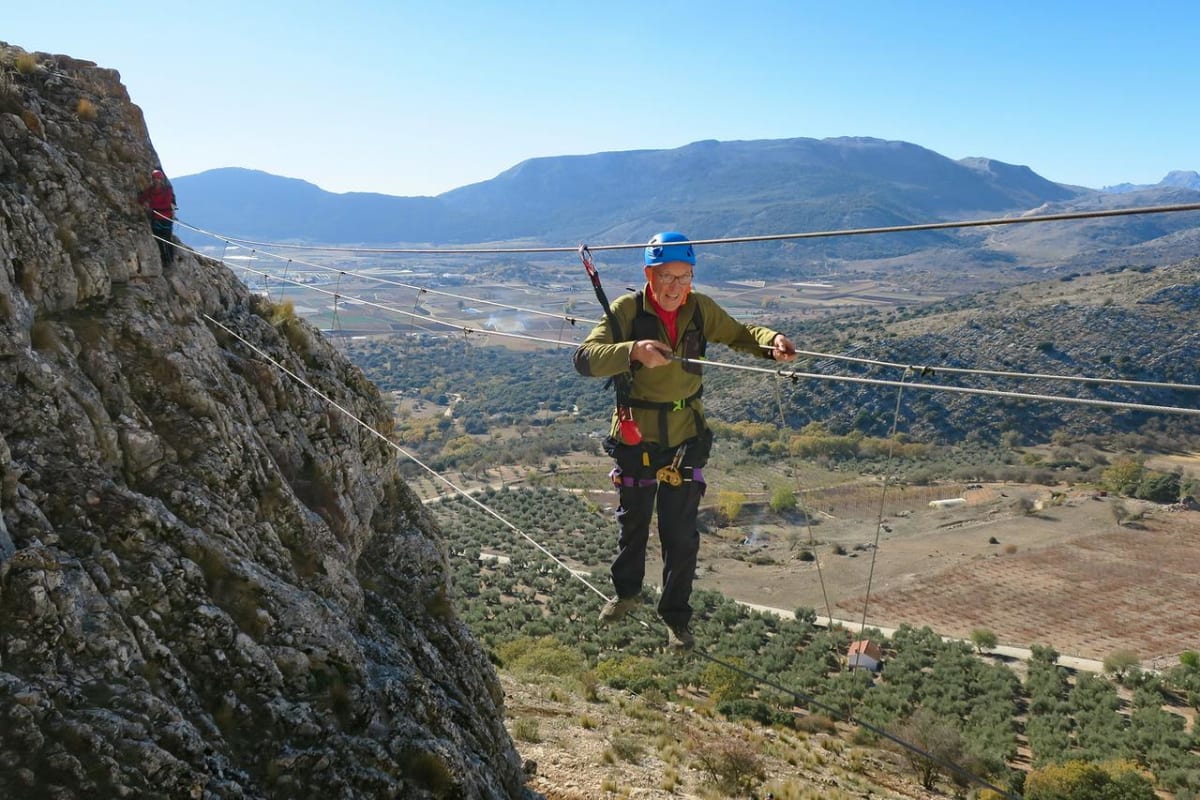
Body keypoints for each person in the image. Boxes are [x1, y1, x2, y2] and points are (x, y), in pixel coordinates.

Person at [573, 232, 797, 649]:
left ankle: (676, 619)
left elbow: (739, 333)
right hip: (635, 436)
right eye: (667, 277)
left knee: (680, 535)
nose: (675, 288)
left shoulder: (699, 309)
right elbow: (584, 359)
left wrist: (772, 343)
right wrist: (632, 350)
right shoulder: (626, 311)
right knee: (632, 524)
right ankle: (626, 594)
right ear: (649, 274)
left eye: (684, 277)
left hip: (684, 438)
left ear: (692, 277)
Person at [138, 168, 177, 264]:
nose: (157, 181)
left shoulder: (167, 191)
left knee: (167, 240)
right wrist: (143, 201)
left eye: (158, 179)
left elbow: (167, 204)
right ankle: (164, 259)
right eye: (155, 179)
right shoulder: (151, 191)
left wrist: (151, 206)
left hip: (165, 218)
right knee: (159, 240)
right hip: (157, 218)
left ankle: (169, 260)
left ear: (161, 180)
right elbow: (141, 199)